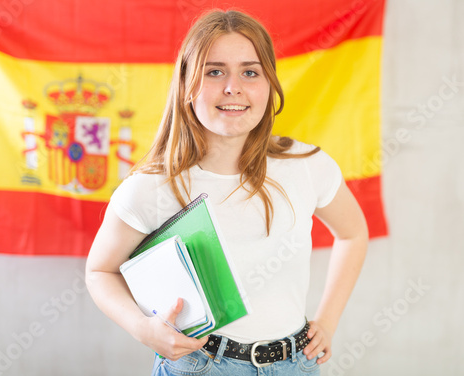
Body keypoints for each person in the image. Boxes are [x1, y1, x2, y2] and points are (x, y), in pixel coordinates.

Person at [85, 9, 368, 376]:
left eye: (250, 72)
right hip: (200, 365)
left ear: (269, 84)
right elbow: (99, 271)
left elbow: (353, 233)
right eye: (214, 71)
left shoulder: (308, 165)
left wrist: (327, 322)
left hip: (297, 364)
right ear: (187, 84)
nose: (233, 87)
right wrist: (143, 329)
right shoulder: (151, 186)